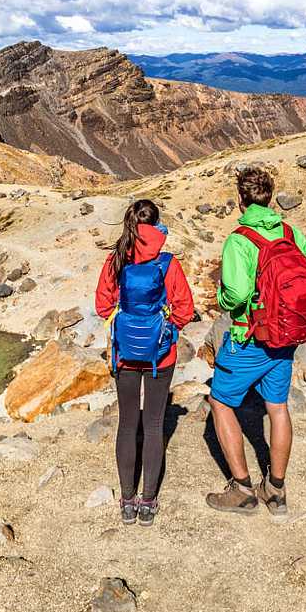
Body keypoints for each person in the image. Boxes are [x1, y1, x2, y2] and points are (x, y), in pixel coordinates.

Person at [205, 168, 306, 515]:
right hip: (286, 339)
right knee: (277, 408)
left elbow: (237, 294)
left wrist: (226, 299)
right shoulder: (290, 232)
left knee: (220, 402)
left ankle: (242, 490)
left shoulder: (239, 239)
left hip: (250, 338)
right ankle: (276, 491)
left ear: (241, 200)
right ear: (270, 197)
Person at [95, 199, 194, 525]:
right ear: (157, 225)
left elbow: (101, 305)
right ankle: (148, 502)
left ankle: (126, 501)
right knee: (153, 425)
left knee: (127, 423)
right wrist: (166, 329)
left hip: (124, 353)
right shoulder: (168, 264)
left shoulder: (116, 260)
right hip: (160, 355)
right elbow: (184, 308)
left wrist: (123, 319)